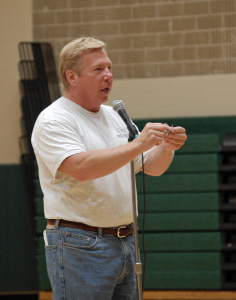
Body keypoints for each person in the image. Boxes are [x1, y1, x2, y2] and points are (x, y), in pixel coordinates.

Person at [31, 37, 187, 300]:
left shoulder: (114, 116)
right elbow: (81, 168)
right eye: (98, 69)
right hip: (79, 244)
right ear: (72, 76)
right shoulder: (54, 119)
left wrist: (167, 147)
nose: (108, 76)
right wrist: (138, 144)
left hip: (125, 240)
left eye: (109, 68)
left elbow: (152, 167)